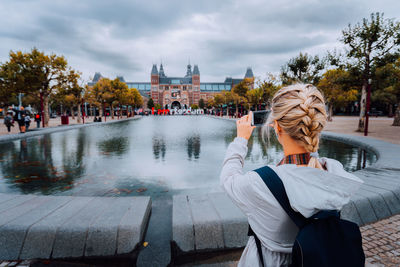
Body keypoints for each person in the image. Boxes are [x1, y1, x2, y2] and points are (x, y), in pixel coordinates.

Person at [220, 84, 364, 267]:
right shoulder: (333, 172)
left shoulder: (260, 183)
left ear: (277, 126)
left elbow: (228, 178)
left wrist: (241, 139)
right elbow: (305, 165)